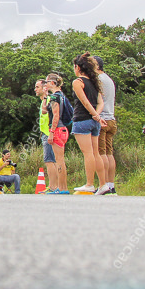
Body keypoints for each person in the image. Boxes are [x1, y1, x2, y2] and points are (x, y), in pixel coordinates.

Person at [70, 52, 107, 194]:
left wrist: (95, 116)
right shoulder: (94, 82)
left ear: (78, 67)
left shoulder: (77, 82)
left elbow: (84, 102)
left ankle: (90, 184)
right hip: (93, 121)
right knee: (95, 153)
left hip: (82, 119)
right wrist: (97, 115)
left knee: (88, 153)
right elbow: (100, 102)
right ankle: (103, 184)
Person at [94, 56, 118, 195]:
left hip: (101, 118)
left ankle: (103, 185)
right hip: (111, 118)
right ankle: (111, 185)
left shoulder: (97, 80)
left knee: (100, 153)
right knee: (109, 153)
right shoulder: (109, 79)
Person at [44, 73, 70, 194]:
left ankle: (62, 188)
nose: (46, 84)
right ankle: (63, 187)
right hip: (63, 129)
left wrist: (51, 132)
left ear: (53, 83)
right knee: (61, 160)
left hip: (58, 129)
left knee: (59, 160)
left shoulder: (55, 97)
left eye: (47, 82)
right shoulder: (62, 95)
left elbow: (55, 115)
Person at [34, 79, 58, 194]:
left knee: (49, 160)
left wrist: (50, 133)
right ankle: (54, 186)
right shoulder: (45, 100)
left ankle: (53, 186)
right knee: (51, 160)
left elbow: (49, 115)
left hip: (48, 134)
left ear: (44, 88)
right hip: (45, 133)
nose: (35, 89)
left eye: (37, 87)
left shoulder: (48, 100)